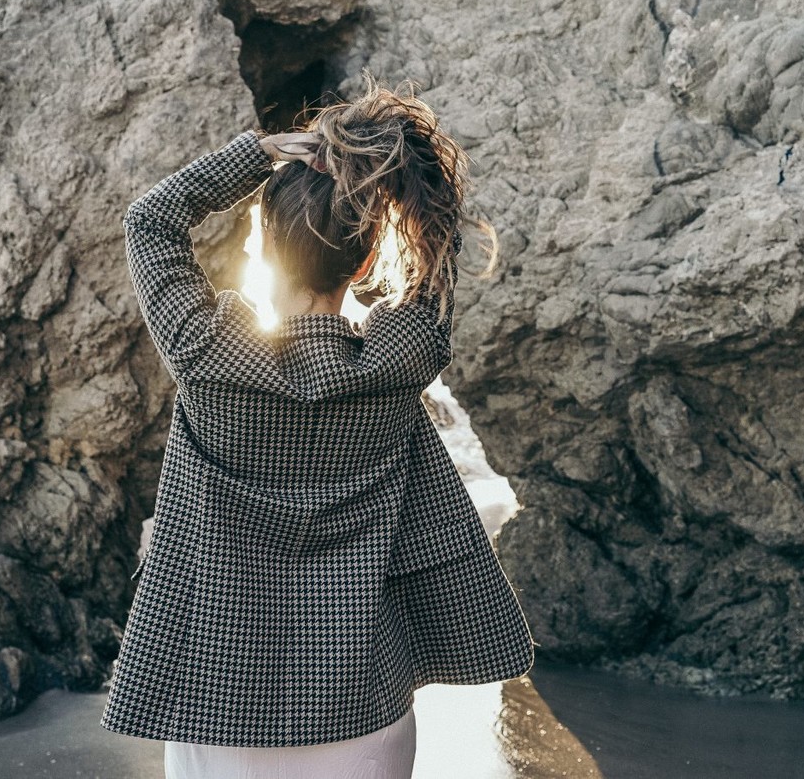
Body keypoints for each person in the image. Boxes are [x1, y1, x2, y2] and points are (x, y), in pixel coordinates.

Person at [101, 69, 536, 778]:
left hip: (221, 698)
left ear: (260, 247)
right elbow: (441, 251)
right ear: (366, 258)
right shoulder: (402, 362)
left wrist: (261, 153)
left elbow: (150, 220)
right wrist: (395, 187)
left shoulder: (208, 356)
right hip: (363, 702)